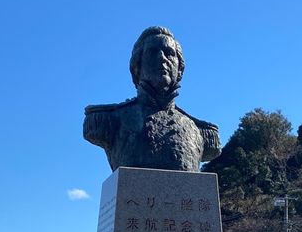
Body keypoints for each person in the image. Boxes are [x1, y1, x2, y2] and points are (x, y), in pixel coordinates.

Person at [83, 26, 221, 171]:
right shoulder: (107, 120)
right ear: (137, 66)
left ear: (179, 69)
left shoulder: (201, 132)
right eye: (153, 52)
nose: (162, 58)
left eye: (169, 53)